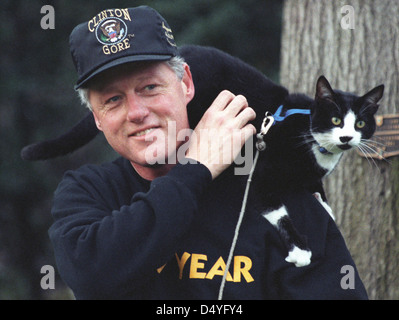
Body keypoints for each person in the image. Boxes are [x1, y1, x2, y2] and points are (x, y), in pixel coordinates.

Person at [49, 6, 368, 299]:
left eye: (149, 88)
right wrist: (195, 168)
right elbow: (91, 275)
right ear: (97, 118)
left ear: (186, 84)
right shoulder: (88, 191)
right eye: (113, 100)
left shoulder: (274, 192)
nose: (136, 112)